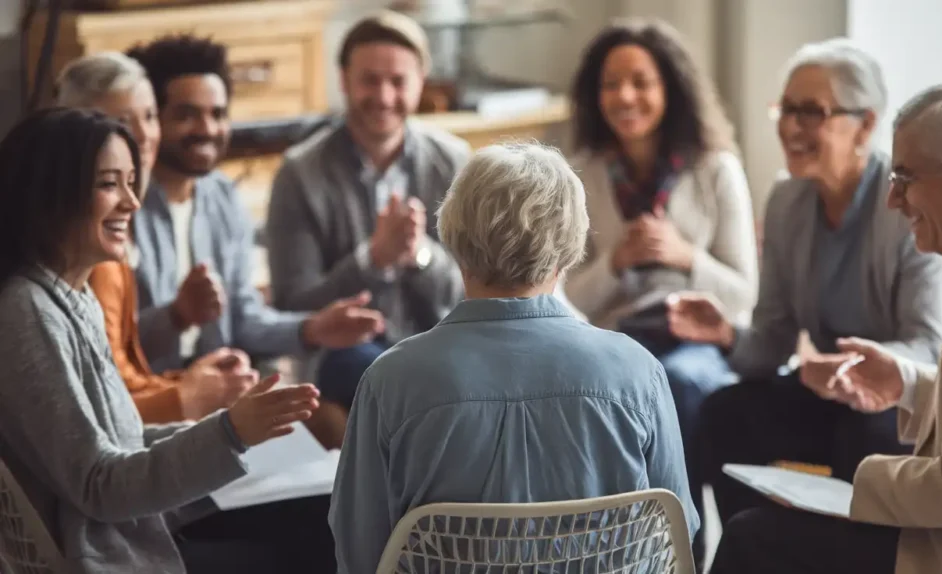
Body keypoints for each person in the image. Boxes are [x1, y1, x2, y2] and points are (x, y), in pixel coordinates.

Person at [330, 142, 699, 573]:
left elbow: (360, 552)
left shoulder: (390, 381)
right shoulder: (639, 374)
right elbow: (677, 537)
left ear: (454, 238)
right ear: (570, 248)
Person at [711, 85, 942, 574]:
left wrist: (850, 488)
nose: (893, 200)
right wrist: (908, 381)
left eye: (905, 178)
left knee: (750, 537)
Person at [0, 107, 326, 573]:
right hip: (107, 554)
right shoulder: (26, 310)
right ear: (49, 194)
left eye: (132, 182)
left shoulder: (73, 295)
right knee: (322, 531)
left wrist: (236, 430)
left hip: (141, 532)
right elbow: (101, 485)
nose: (132, 202)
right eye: (110, 184)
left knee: (323, 509)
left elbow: (123, 439)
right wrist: (229, 432)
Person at [665, 38, 942, 539]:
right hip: (825, 393)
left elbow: (928, 347)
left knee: (865, 437)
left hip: (892, 404)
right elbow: (775, 337)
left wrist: (850, 368)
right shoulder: (787, 199)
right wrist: (726, 335)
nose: (789, 127)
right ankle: (755, 546)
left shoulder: (908, 206)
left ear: (865, 124)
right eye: (785, 109)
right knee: (724, 416)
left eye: (810, 112)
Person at [563, 19, 757, 544]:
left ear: (670, 88)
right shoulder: (584, 174)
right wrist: (617, 261)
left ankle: (681, 547)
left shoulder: (717, 169)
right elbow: (572, 294)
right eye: (610, 83)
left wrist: (684, 255)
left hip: (697, 345)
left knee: (677, 385)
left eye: (641, 81)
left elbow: (745, 293)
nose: (624, 96)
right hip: (620, 339)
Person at [125, 35, 385, 394]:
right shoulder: (122, 209)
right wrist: (176, 315)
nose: (207, 130)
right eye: (187, 115)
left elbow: (244, 320)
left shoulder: (223, 198)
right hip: (153, 399)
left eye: (217, 114)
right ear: (153, 119)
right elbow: (111, 347)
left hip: (223, 395)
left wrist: (313, 329)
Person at [266, 11, 466, 413]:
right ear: (344, 80)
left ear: (420, 83)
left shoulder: (455, 162)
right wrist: (371, 261)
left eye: (398, 82)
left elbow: (473, 288)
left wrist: (419, 255)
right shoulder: (299, 173)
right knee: (394, 381)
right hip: (343, 355)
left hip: (440, 338)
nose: (384, 97)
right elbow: (293, 304)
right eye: (370, 80)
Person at [55, 52, 257, 424]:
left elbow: (127, 376)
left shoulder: (123, 223)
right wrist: (190, 394)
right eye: (121, 123)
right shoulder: (84, 244)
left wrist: (203, 382)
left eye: (149, 117)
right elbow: (100, 407)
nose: (144, 136)